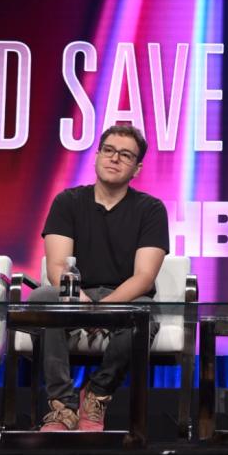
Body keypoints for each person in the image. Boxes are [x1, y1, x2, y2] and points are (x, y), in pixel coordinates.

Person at [32, 124, 169, 432]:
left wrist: (103, 307)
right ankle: (62, 406)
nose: (114, 159)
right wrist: (78, 300)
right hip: (74, 293)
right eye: (108, 150)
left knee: (144, 313)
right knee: (42, 298)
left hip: (124, 297)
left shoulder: (151, 209)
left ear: (137, 168)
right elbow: (57, 265)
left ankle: (97, 393)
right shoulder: (67, 201)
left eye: (125, 155)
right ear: (96, 156)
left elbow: (144, 277)